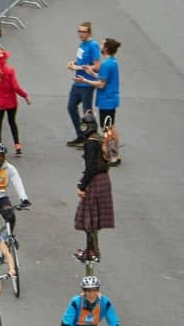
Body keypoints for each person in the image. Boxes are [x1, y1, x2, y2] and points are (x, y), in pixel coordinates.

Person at [73, 111, 113, 263]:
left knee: (88, 219)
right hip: (104, 180)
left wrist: (82, 185)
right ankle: (93, 250)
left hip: (95, 181)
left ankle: (92, 252)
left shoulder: (90, 142)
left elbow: (90, 167)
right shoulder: (99, 138)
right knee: (92, 219)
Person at [67, 22, 101, 146]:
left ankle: (91, 140)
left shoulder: (93, 46)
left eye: (84, 32)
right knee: (71, 107)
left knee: (87, 112)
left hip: (87, 84)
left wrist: (79, 67)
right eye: (79, 31)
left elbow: (97, 66)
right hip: (77, 82)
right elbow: (81, 60)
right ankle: (80, 135)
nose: (81, 34)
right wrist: (73, 63)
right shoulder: (82, 45)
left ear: (89, 32)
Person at [88, 38, 121, 166]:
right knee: (110, 127)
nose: (100, 46)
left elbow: (101, 84)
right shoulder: (112, 62)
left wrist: (86, 81)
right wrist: (91, 73)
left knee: (107, 129)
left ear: (106, 49)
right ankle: (112, 153)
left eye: (102, 44)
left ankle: (112, 156)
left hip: (106, 100)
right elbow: (103, 78)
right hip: (110, 99)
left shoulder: (106, 64)